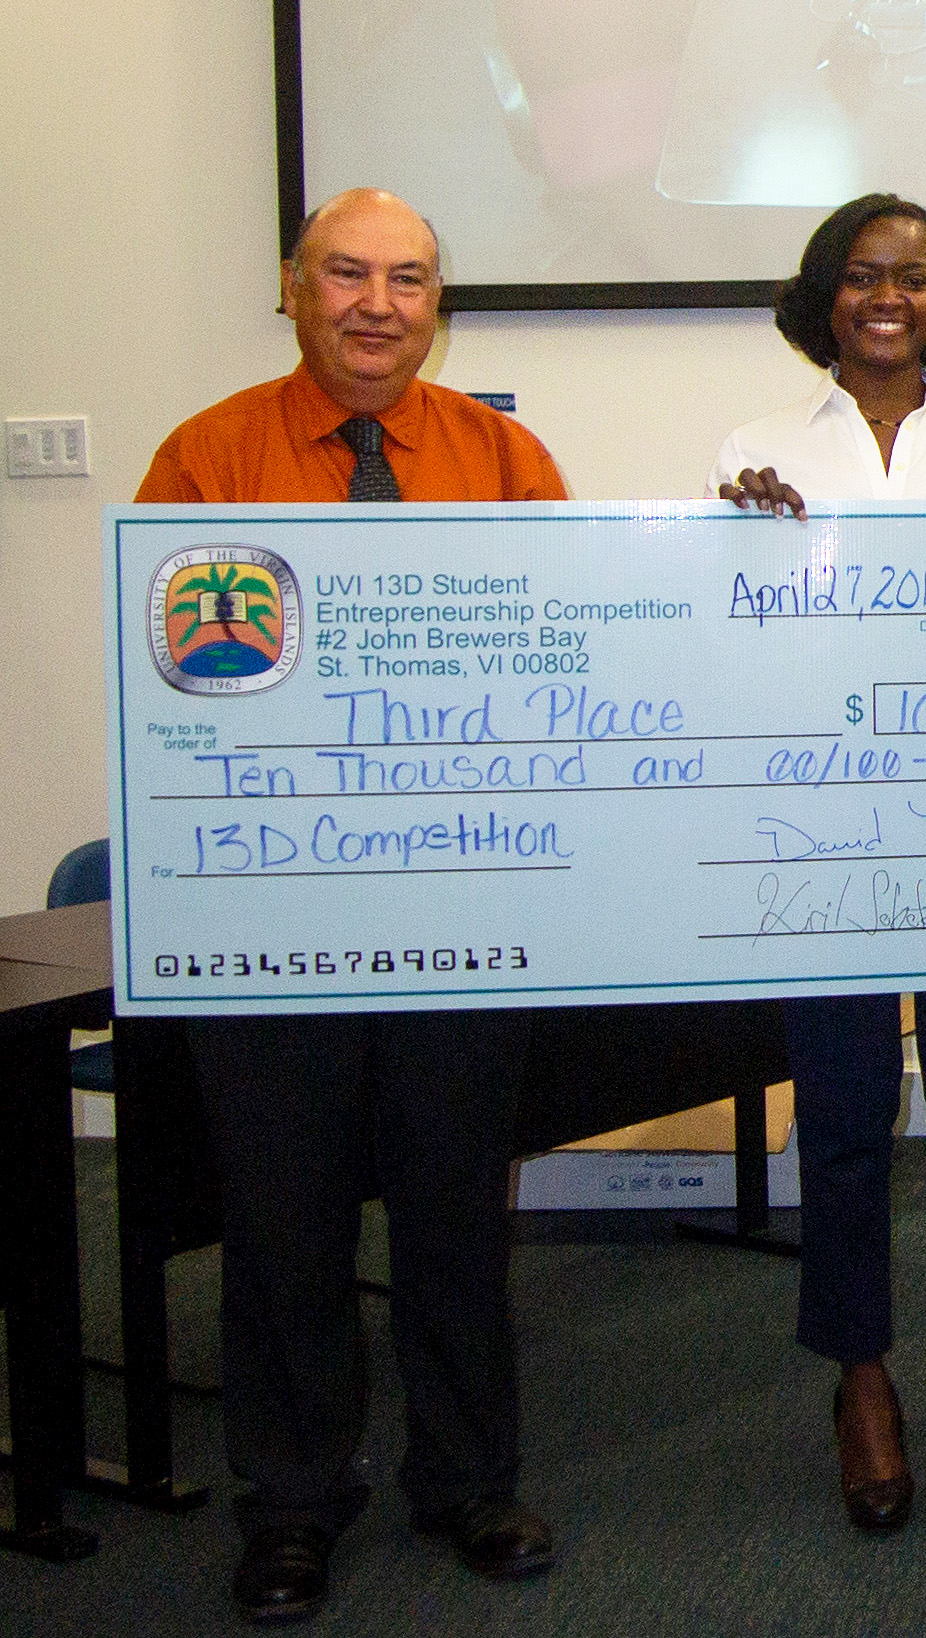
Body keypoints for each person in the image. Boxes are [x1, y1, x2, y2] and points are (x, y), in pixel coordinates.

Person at [135, 187, 567, 1624]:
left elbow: (564, 665)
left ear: (437, 302)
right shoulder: (206, 459)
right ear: (292, 285)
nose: (377, 303)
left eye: (407, 279)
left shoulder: (505, 460)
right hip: (269, 915)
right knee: (284, 1218)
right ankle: (294, 1497)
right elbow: (172, 698)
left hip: (459, 907)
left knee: (455, 1210)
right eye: (347, 274)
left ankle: (465, 1477)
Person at [708, 193, 926, 1533]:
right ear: (824, 294)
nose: (887, 297)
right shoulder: (751, 447)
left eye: (912, 277)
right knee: (845, 1115)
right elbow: (728, 645)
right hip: (821, 827)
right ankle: (859, 1373)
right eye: (861, 276)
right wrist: (735, 540)